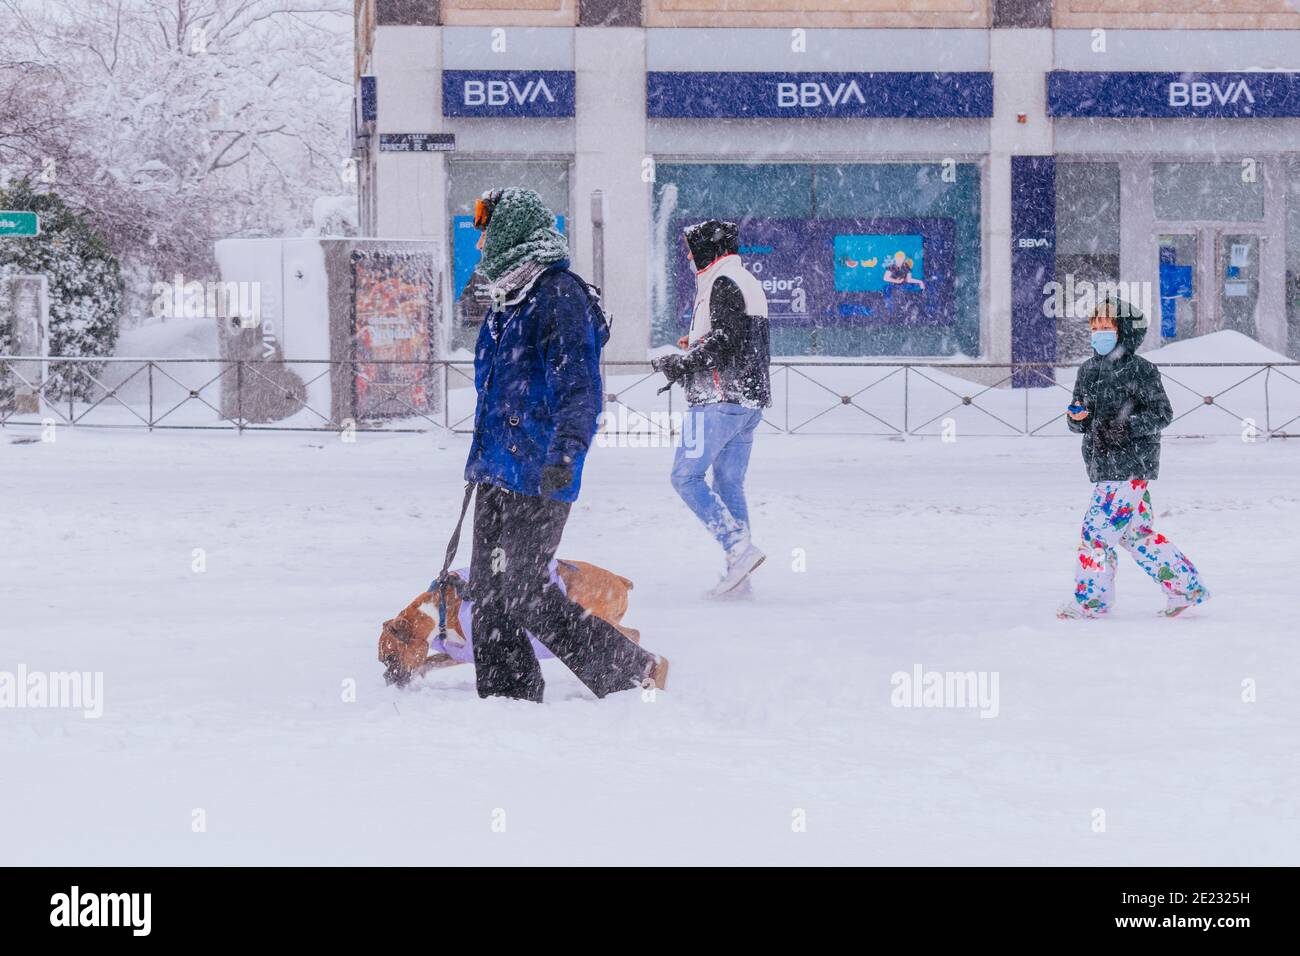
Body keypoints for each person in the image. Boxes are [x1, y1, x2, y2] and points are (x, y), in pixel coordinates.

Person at [463, 187, 668, 700]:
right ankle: (508, 699)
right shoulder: (506, 301)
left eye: (488, 229)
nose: (482, 242)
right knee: (490, 593)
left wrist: (565, 455)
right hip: (496, 469)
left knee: (527, 591)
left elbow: (579, 389)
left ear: (511, 231)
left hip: (541, 469)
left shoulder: (558, 295)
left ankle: (632, 669)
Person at [1058, 297, 1210, 620]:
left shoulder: (1140, 370)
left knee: (1095, 535)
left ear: (1122, 330)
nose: (1098, 333)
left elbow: (1162, 413)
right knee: (1137, 535)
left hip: (1129, 467)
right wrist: (1078, 418)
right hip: (1103, 467)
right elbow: (1078, 418)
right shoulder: (1088, 370)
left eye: (1106, 327)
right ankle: (1185, 588)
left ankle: (1091, 601)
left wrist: (1123, 428)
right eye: (1094, 327)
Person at [651, 219, 771, 597]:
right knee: (729, 483)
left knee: (685, 477)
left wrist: (683, 363)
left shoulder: (722, 282)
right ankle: (740, 579)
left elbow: (726, 339)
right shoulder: (744, 280)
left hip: (718, 400)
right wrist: (696, 344)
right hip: (747, 403)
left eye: (691, 248)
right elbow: (739, 337)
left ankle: (738, 547)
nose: (688, 255)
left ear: (709, 248)